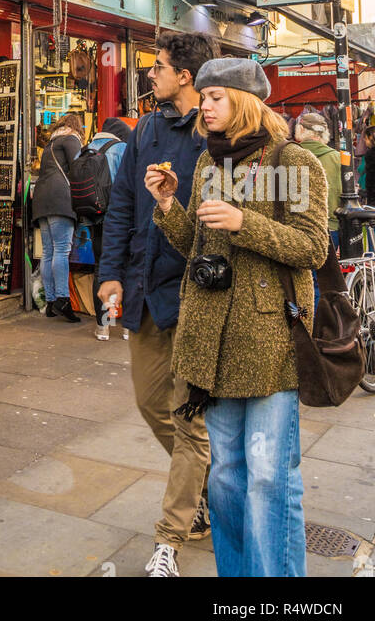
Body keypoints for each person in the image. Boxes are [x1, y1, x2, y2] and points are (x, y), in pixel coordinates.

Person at [149, 56, 328, 578]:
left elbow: (314, 247)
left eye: (215, 97)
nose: (203, 106)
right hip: (212, 342)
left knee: (270, 476)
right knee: (226, 474)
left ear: (245, 103)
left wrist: (244, 221)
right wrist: (168, 209)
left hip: (270, 340)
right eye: (202, 97)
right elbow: (199, 249)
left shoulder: (293, 163)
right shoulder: (208, 163)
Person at [98, 30, 217, 576]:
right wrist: (110, 277)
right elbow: (121, 205)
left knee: (188, 419)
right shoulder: (146, 128)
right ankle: (203, 487)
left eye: (159, 66)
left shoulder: (213, 130)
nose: (150, 73)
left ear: (186, 76)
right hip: (145, 292)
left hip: (198, 295)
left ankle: (172, 534)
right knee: (152, 404)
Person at [31, 112, 85, 322]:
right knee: (62, 250)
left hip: (42, 199)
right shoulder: (71, 139)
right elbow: (78, 169)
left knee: (48, 251)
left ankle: (51, 301)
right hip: (60, 198)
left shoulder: (50, 144)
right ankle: (63, 298)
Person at [85, 118, 130, 338]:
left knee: (101, 269)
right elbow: (131, 184)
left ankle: (104, 325)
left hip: (94, 218)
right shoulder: (122, 148)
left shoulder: (85, 150)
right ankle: (128, 327)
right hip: (119, 218)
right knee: (128, 268)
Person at [295, 112, 342, 246]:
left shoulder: (289, 154)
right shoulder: (337, 157)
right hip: (331, 225)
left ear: (301, 129)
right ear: (324, 133)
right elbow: (344, 194)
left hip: (298, 226)